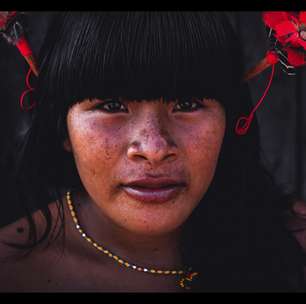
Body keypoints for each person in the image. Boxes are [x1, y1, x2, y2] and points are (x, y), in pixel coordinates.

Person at [0, 12, 305, 292]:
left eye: (187, 105)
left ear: (228, 120)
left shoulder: (295, 244)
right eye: (111, 106)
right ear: (62, 127)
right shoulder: (12, 273)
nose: (154, 149)